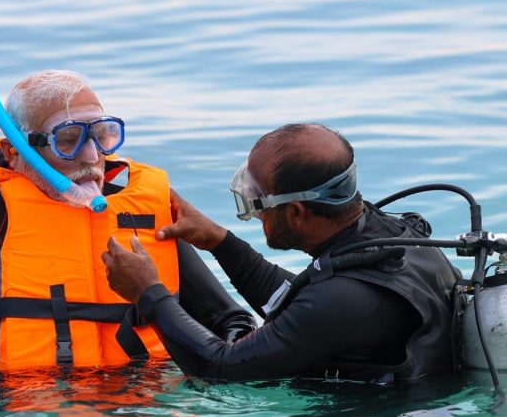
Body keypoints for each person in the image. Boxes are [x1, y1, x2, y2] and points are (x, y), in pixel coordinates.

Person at [0, 70, 255, 368]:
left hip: (139, 416)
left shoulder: (141, 215)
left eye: (103, 135)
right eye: (67, 140)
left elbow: (233, 321)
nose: (92, 157)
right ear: (14, 151)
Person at [102, 122, 461, 383]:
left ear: (296, 213)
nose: (255, 214)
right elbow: (300, 304)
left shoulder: (343, 299)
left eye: (258, 203)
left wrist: (148, 293)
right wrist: (218, 241)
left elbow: (221, 368)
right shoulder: (395, 237)